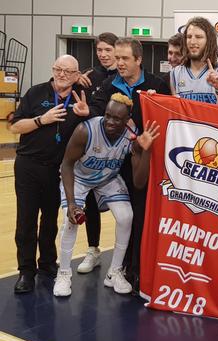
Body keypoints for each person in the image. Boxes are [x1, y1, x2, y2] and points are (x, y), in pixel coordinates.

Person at [54, 93, 159, 297]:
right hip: (79, 177)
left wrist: (144, 150)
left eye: (117, 118)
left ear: (127, 118)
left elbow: (138, 182)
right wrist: (73, 203)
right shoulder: (86, 130)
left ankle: (114, 272)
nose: (110, 121)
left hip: (107, 178)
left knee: (126, 216)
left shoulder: (132, 135)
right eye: (107, 115)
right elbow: (66, 165)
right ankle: (64, 273)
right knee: (71, 221)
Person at [89, 37, 170, 291]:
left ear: (139, 60)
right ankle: (116, 267)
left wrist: (141, 129)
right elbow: (97, 116)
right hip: (113, 164)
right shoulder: (107, 84)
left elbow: (167, 124)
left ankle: (135, 270)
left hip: (143, 162)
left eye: (125, 58)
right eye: (118, 58)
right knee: (123, 218)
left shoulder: (158, 85)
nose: (119, 63)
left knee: (140, 217)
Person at [9, 55, 89, 293]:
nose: (61, 74)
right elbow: (15, 126)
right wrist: (41, 120)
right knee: (26, 221)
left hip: (57, 170)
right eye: (57, 69)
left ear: (77, 75)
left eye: (67, 71)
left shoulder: (80, 99)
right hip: (28, 166)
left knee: (50, 220)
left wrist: (86, 114)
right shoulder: (36, 92)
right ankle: (25, 271)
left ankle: (46, 263)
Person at [75, 32, 120, 275]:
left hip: (119, 149)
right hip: (93, 149)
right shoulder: (89, 76)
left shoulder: (124, 76)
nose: (103, 54)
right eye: (99, 50)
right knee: (90, 202)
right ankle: (93, 249)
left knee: (123, 206)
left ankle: (123, 256)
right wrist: (75, 80)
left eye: (107, 50)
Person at [170, 17, 218, 106]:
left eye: (199, 37)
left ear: (209, 41)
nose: (192, 41)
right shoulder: (175, 73)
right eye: (189, 37)